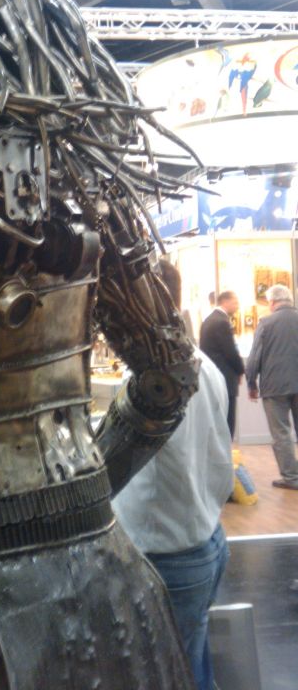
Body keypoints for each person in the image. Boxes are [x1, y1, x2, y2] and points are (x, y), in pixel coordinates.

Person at [113, 260, 233, 690]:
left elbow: (110, 467)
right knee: (191, 660)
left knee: (167, 672)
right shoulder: (201, 364)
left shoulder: (151, 381)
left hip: (170, 553)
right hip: (204, 540)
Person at [245, 284, 298, 490]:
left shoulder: (266, 323)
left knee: (281, 433)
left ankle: (291, 477)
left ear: (273, 302)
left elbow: (255, 356)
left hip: (275, 386)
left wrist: (251, 382)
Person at [200, 290, 245, 438]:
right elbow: (230, 351)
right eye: (235, 302)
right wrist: (240, 370)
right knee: (227, 420)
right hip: (225, 377)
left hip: (213, 377)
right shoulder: (222, 322)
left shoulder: (208, 320)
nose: (237, 306)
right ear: (225, 301)